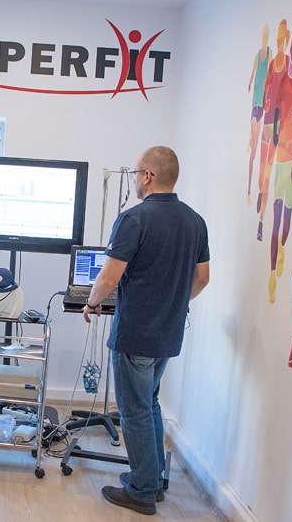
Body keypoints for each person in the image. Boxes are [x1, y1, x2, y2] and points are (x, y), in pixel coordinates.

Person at [82, 146, 209, 516]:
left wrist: (91, 303)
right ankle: (154, 481)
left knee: (134, 410)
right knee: (149, 403)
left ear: (148, 176)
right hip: (168, 333)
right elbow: (202, 278)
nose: (135, 180)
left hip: (136, 332)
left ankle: (141, 491)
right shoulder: (195, 221)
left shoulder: (133, 219)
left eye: (137, 173)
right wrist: (173, 302)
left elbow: (108, 278)